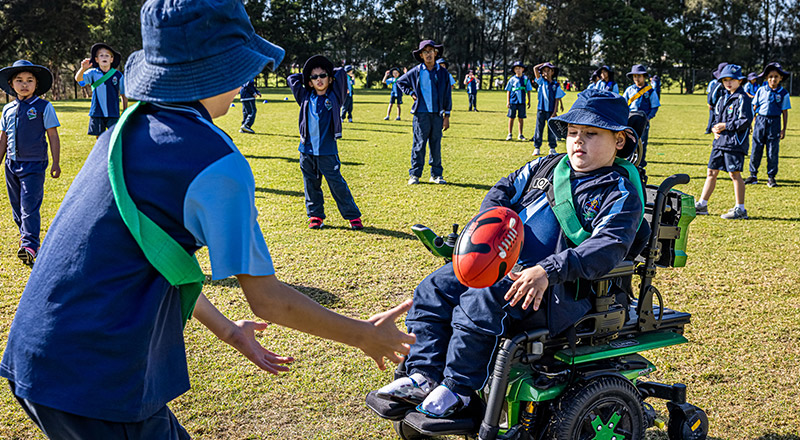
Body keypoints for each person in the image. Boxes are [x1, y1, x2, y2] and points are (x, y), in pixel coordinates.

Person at [1, 2, 414, 439]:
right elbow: (268, 299)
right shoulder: (215, 161)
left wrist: (230, 331)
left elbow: (158, 258)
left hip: (38, 354)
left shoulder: (123, 130)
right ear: (224, 68)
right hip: (95, 377)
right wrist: (364, 334)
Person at [372, 88, 647, 418]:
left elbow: (607, 247)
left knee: (480, 299)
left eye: (591, 133)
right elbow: (502, 190)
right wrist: (488, 230)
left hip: (559, 288)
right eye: (573, 132)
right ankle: (424, 375)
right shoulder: (544, 166)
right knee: (434, 289)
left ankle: (459, 389)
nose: (578, 141)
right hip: (503, 263)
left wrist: (548, 270)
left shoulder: (620, 191)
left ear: (619, 140)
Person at [288, 55, 364, 230]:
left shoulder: (335, 96)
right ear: (309, 82)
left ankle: (352, 216)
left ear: (330, 79)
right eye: (314, 77)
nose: (319, 80)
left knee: (337, 184)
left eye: (322, 76)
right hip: (306, 151)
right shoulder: (305, 96)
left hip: (327, 151)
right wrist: (306, 74)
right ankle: (315, 216)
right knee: (311, 184)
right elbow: (292, 79)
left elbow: (342, 73)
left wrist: (329, 72)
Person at [0, 60, 61, 266]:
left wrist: (56, 163)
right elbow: (3, 138)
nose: (24, 84)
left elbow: (53, 135)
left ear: (36, 84)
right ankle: (26, 239)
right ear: (11, 84)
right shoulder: (7, 109)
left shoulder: (44, 107)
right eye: (19, 80)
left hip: (34, 164)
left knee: (29, 206)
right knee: (17, 207)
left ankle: (30, 245)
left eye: (29, 80)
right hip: (11, 165)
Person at [695, 64, 753, 220]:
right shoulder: (722, 98)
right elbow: (716, 118)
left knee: (735, 174)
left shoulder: (743, 98)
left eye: (732, 80)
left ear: (740, 81)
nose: (728, 83)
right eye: (725, 80)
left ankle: (740, 209)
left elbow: (745, 121)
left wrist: (726, 126)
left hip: (734, 143)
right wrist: (715, 128)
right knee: (711, 172)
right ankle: (702, 204)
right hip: (720, 142)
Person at [396, 40, 453, 185]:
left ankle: (436, 175)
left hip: (437, 114)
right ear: (421, 55)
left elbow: (447, 94)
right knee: (419, 144)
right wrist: (411, 93)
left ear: (436, 53)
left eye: (431, 51)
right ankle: (415, 174)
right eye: (425, 52)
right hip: (421, 114)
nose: (428, 54)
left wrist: (447, 116)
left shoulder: (442, 73)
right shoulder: (416, 71)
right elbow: (400, 82)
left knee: (436, 144)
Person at [746, 62, 791, 188]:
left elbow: (785, 111)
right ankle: (753, 175)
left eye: (776, 76)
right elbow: (754, 107)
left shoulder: (783, 93)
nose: (773, 79)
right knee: (756, 149)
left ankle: (771, 177)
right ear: (766, 78)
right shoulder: (761, 90)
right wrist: (751, 122)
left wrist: (784, 129)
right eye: (770, 76)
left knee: (772, 151)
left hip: (774, 122)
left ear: (781, 78)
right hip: (760, 121)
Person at [75, 43, 128, 137]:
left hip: (113, 112)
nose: (104, 57)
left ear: (112, 59)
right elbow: (79, 80)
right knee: (99, 138)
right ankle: (101, 152)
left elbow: (123, 95)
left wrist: (124, 111)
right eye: (101, 55)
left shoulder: (118, 75)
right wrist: (82, 69)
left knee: (114, 138)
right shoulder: (92, 73)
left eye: (107, 55)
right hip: (97, 112)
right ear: (96, 59)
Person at [622, 64, 660, 167]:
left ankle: (640, 162)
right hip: (630, 119)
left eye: (639, 76)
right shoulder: (629, 90)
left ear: (644, 77)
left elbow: (655, 106)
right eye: (634, 76)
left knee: (642, 142)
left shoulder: (650, 91)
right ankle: (629, 161)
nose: (637, 78)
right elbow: (623, 104)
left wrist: (648, 118)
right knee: (629, 139)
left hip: (643, 120)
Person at [531, 62, 565, 155]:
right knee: (539, 128)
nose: (545, 73)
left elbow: (557, 99)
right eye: (544, 71)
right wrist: (544, 64)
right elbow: (535, 68)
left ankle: (552, 148)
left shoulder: (555, 85)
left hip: (551, 111)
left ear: (552, 72)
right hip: (541, 109)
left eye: (548, 71)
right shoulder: (541, 82)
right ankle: (537, 147)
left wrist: (554, 112)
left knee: (551, 130)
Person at [504, 61, 533, 141]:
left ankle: (520, 134)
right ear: (514, 70)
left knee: (521, 118)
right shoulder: (512, 79)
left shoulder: (526, 79)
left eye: (519, 68)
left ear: (523, 69)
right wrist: (508, 101)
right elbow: (508, 90)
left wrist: (529, 100)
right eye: (516, 69)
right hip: (513, 100)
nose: (518, 70)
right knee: (511, 117)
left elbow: (529, 90)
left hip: (522, 101)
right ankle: (509, 134)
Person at [705, 62, 728, 134]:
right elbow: (711, 95)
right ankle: (710, 129)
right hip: (717, 105)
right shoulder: (717, 84)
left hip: (723, 106)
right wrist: (711, 104)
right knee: (713, 117)